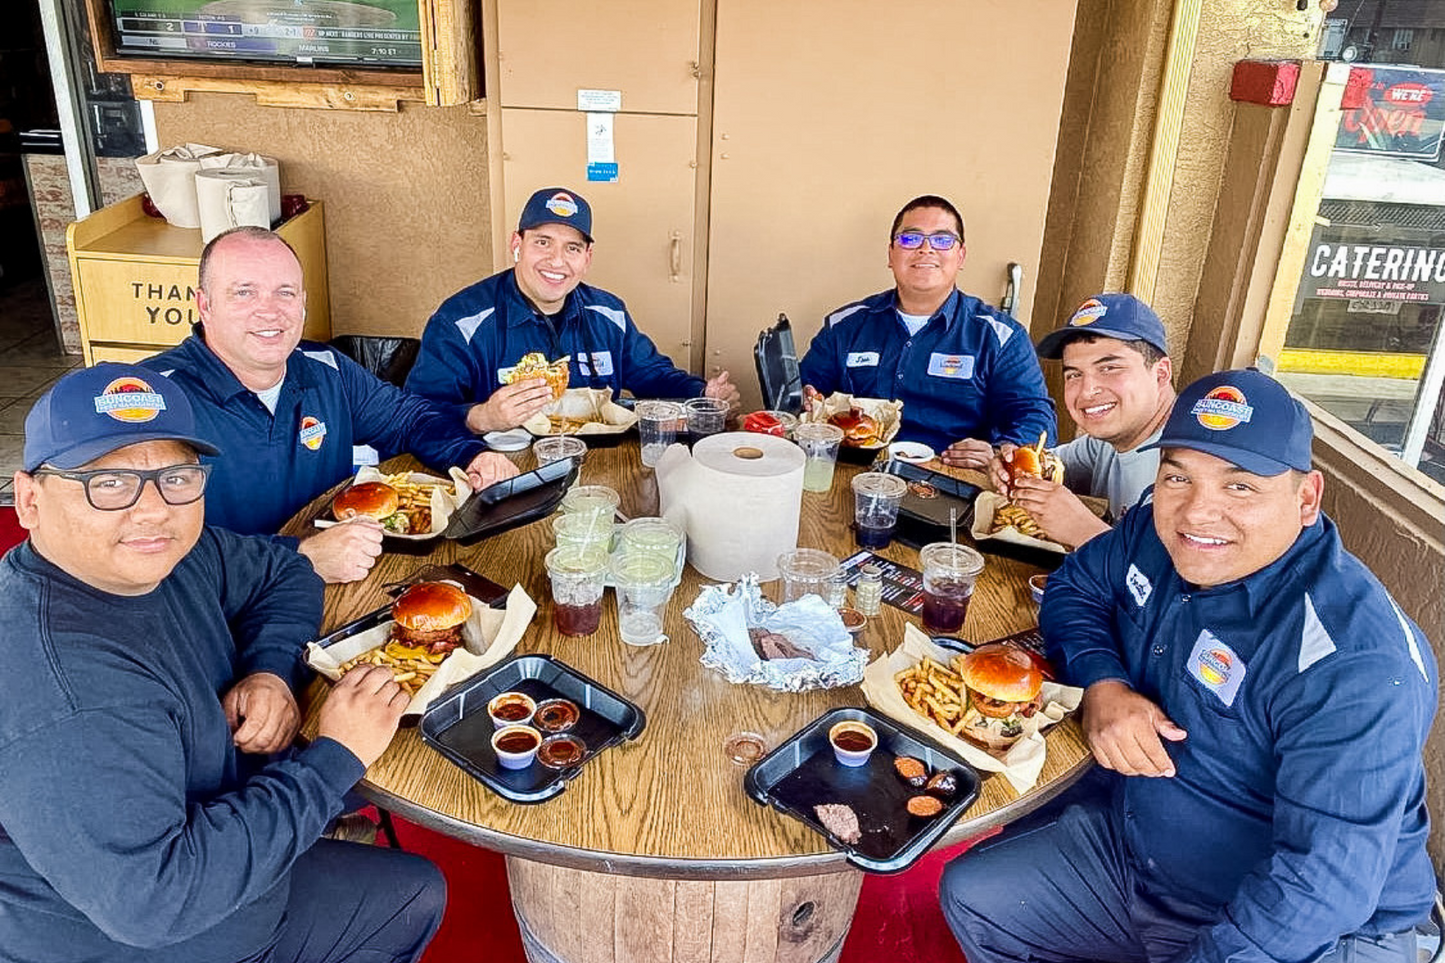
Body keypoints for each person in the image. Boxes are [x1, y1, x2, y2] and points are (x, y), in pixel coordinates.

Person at [940, 369, 1436, 963]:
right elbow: (1074, 588)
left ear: (1306, 499)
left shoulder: (1354, 660)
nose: (1198, 512)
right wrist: (1104, 682)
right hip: (1146, 860)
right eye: (1178, 476)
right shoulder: (1156, 530)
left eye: (1240, 487)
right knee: (973, 896)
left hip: (1317, 935)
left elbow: (1320, 886)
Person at [0, 363, 445, 963]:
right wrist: (330, 762)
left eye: (177, 476)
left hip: (213, 790)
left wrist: (268, 669)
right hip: (146, 931)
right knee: (414, 892)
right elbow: (159, 902)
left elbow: (287, 569)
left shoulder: (169, 553)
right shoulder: (67, 695)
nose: (153, 509)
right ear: (30, 500)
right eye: (107, 483)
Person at [144, 226, 517, 584]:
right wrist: (300, 557)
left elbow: (409, 419)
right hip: (227, 617)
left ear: (304, 302)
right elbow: (147, 547)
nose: (270, 311)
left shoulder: (325, 368)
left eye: (285, 292)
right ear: (204, 304)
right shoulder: (159, 400)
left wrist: (472, 456)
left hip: (339, 584)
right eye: (244, 293)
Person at [405, 186, 740, 432]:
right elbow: (413, 415)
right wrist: (481, 417)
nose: (557, 261)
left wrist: (702, 394)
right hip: (502, 476)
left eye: (572, 248)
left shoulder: (609, 313)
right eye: (542, 242)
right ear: (516, 245)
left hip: (600, 471)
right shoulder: (461, 321)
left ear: (587, 258)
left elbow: (653, 374)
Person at [797, 194, 1056, 463]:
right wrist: (805, 402)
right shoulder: (844, 326)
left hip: (953, 481)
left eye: (942, 240)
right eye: (910, 238)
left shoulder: (1001, 337)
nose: (925, 249)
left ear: (961, 256)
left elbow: (1036, 417)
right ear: (891, 254)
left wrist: (998, 452)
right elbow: (802, 394)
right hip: (853, 472)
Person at [988, 293, 1176, 547]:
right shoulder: (1107, 441)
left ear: (1161, 374)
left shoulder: (1189, 466)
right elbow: (1049, 463)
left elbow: (1180, 584)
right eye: (1074, 374)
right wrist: (1005, 462)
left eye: (1109, 368)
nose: (1087, 391)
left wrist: (1085, 531)